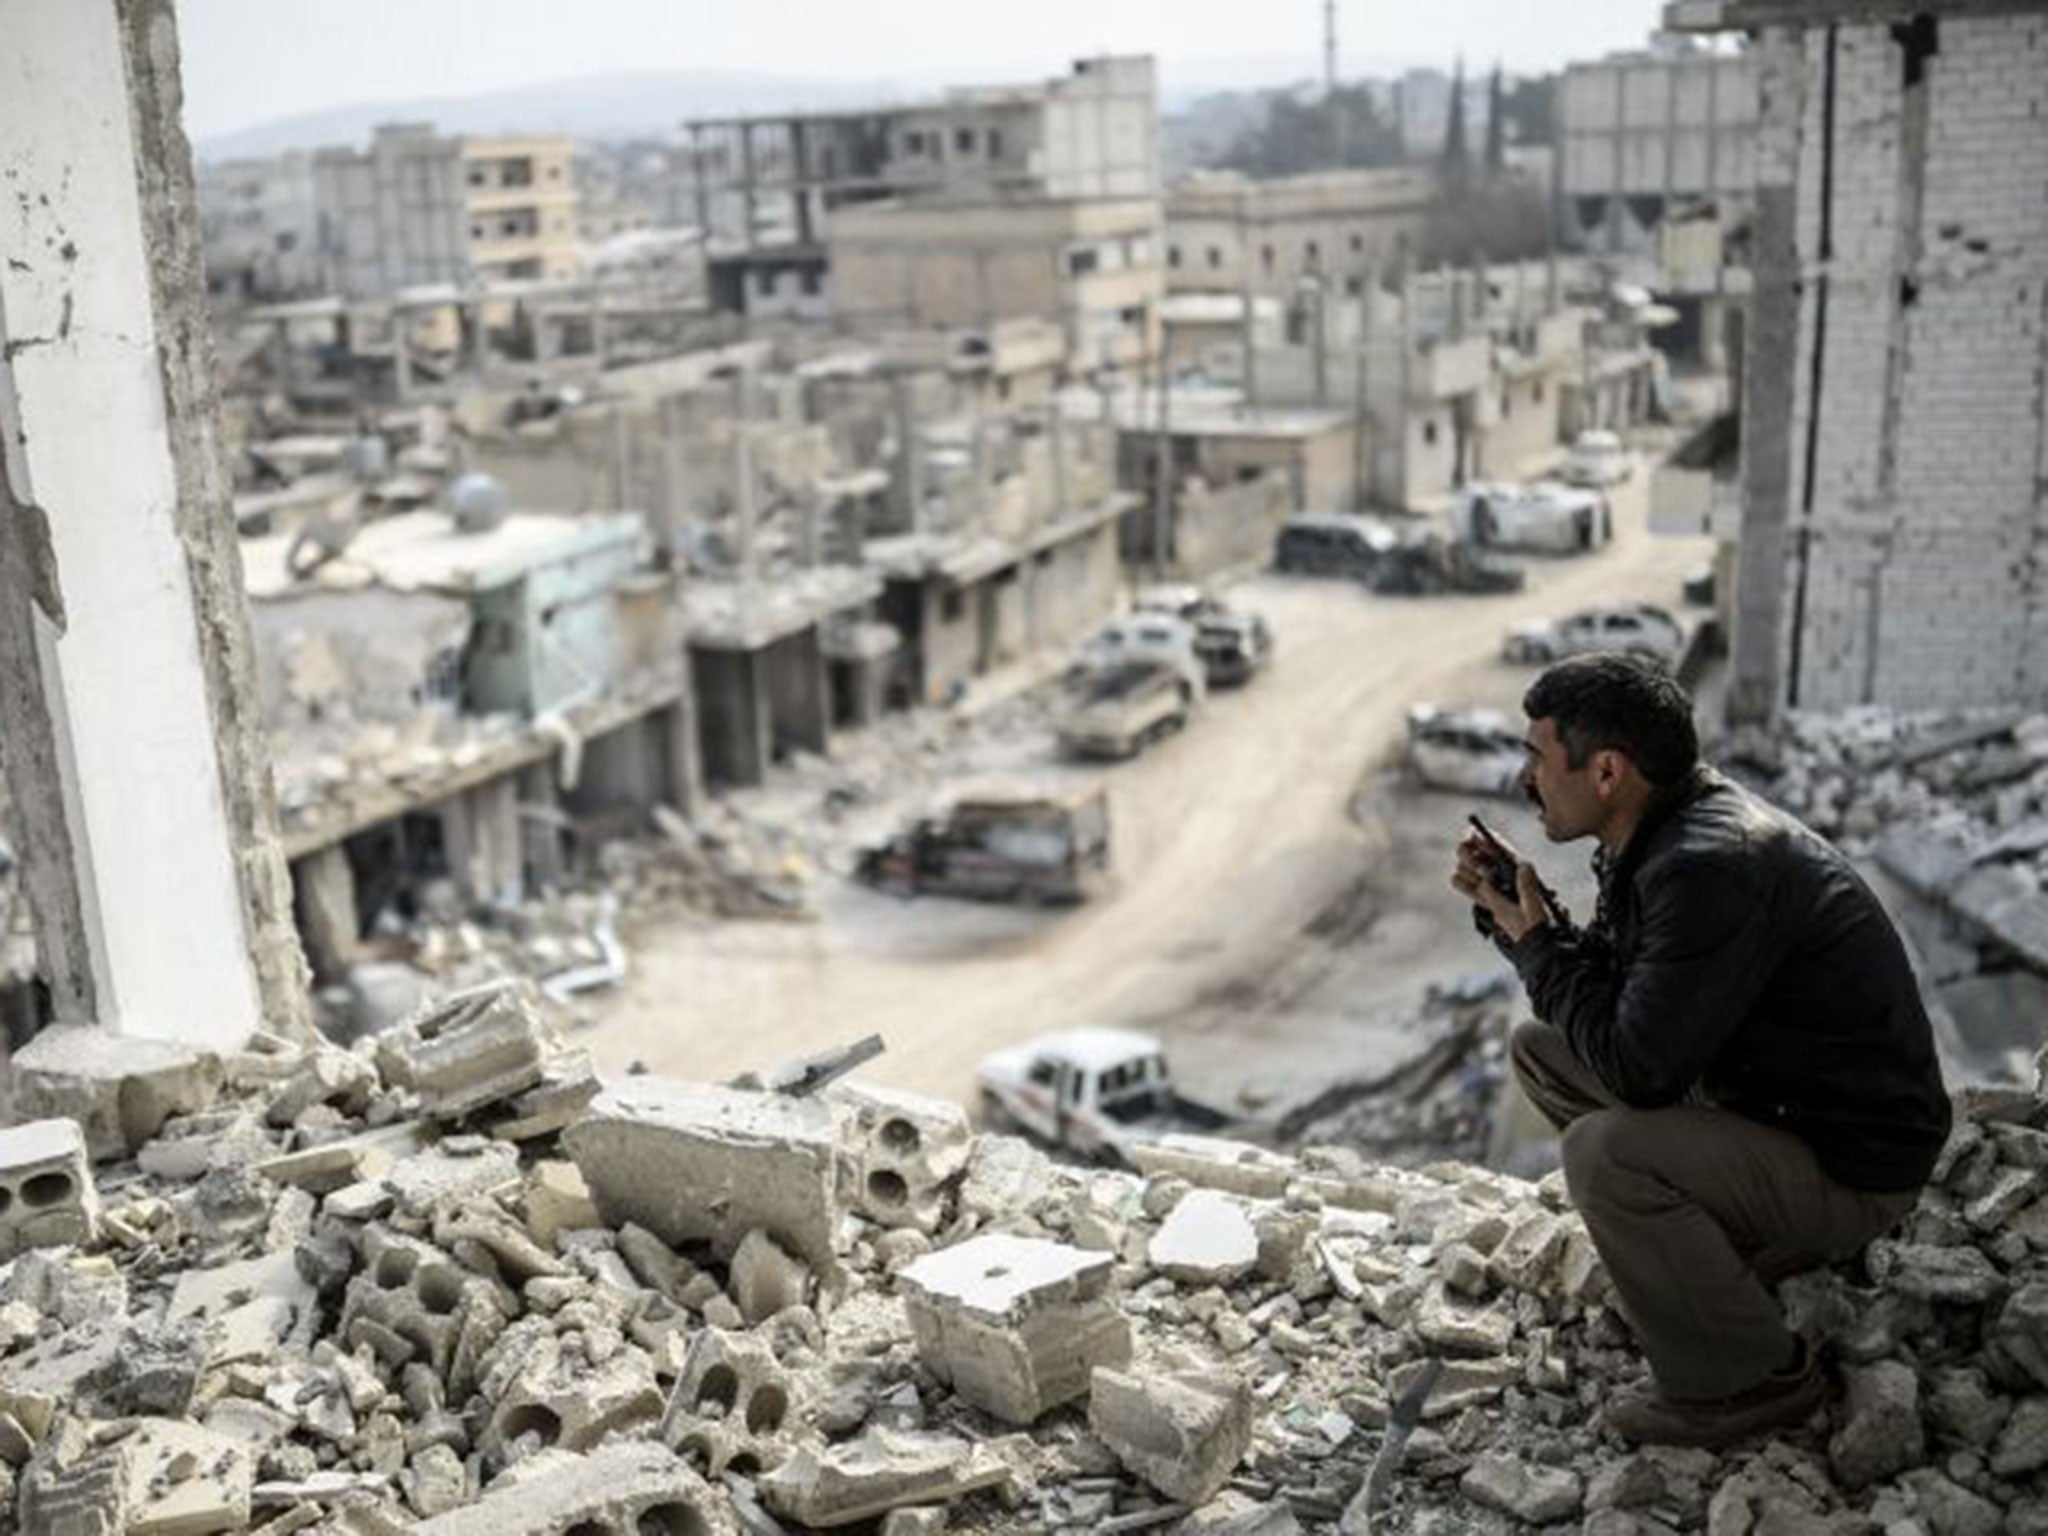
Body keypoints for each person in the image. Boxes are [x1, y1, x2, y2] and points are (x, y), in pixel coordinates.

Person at [1451, 653, 1950, 1448]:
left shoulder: (1705, 866)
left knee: (1606, 1153)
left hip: (1851, 1167)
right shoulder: (1661, 831)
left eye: (1537, 759)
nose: (1523, 780)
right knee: (1542, 1049)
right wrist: (1527, 926)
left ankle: (1747, 1379)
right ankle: (1718, 1257)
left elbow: (1638, 1071)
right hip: (1770, 1108)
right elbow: (1628, 1007)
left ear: (1607, 770)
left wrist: (1542, 945)